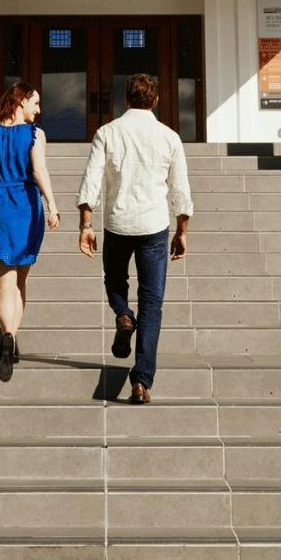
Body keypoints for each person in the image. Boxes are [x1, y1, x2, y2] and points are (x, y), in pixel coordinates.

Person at [75, 73, 193, 404]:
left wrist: (86, 224)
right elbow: (180, 189)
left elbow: (91, 182)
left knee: (115, 282)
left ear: (125, 99)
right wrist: (182, 231)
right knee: (152, 302)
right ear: (155, 101)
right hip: (154, 226)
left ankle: (124, 314)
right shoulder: (169, 137)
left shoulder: (107, 133)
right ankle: (141, 382)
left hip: (117, 224)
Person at [0, 83, 59, 381]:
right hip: (26, 205)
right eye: (35, 103)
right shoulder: (35, 134)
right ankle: (11, 337)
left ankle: (7, 336)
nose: (38, 110)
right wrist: (52, 204)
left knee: (3, 284)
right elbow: (39, 170)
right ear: (20, 101)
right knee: (20, 282)